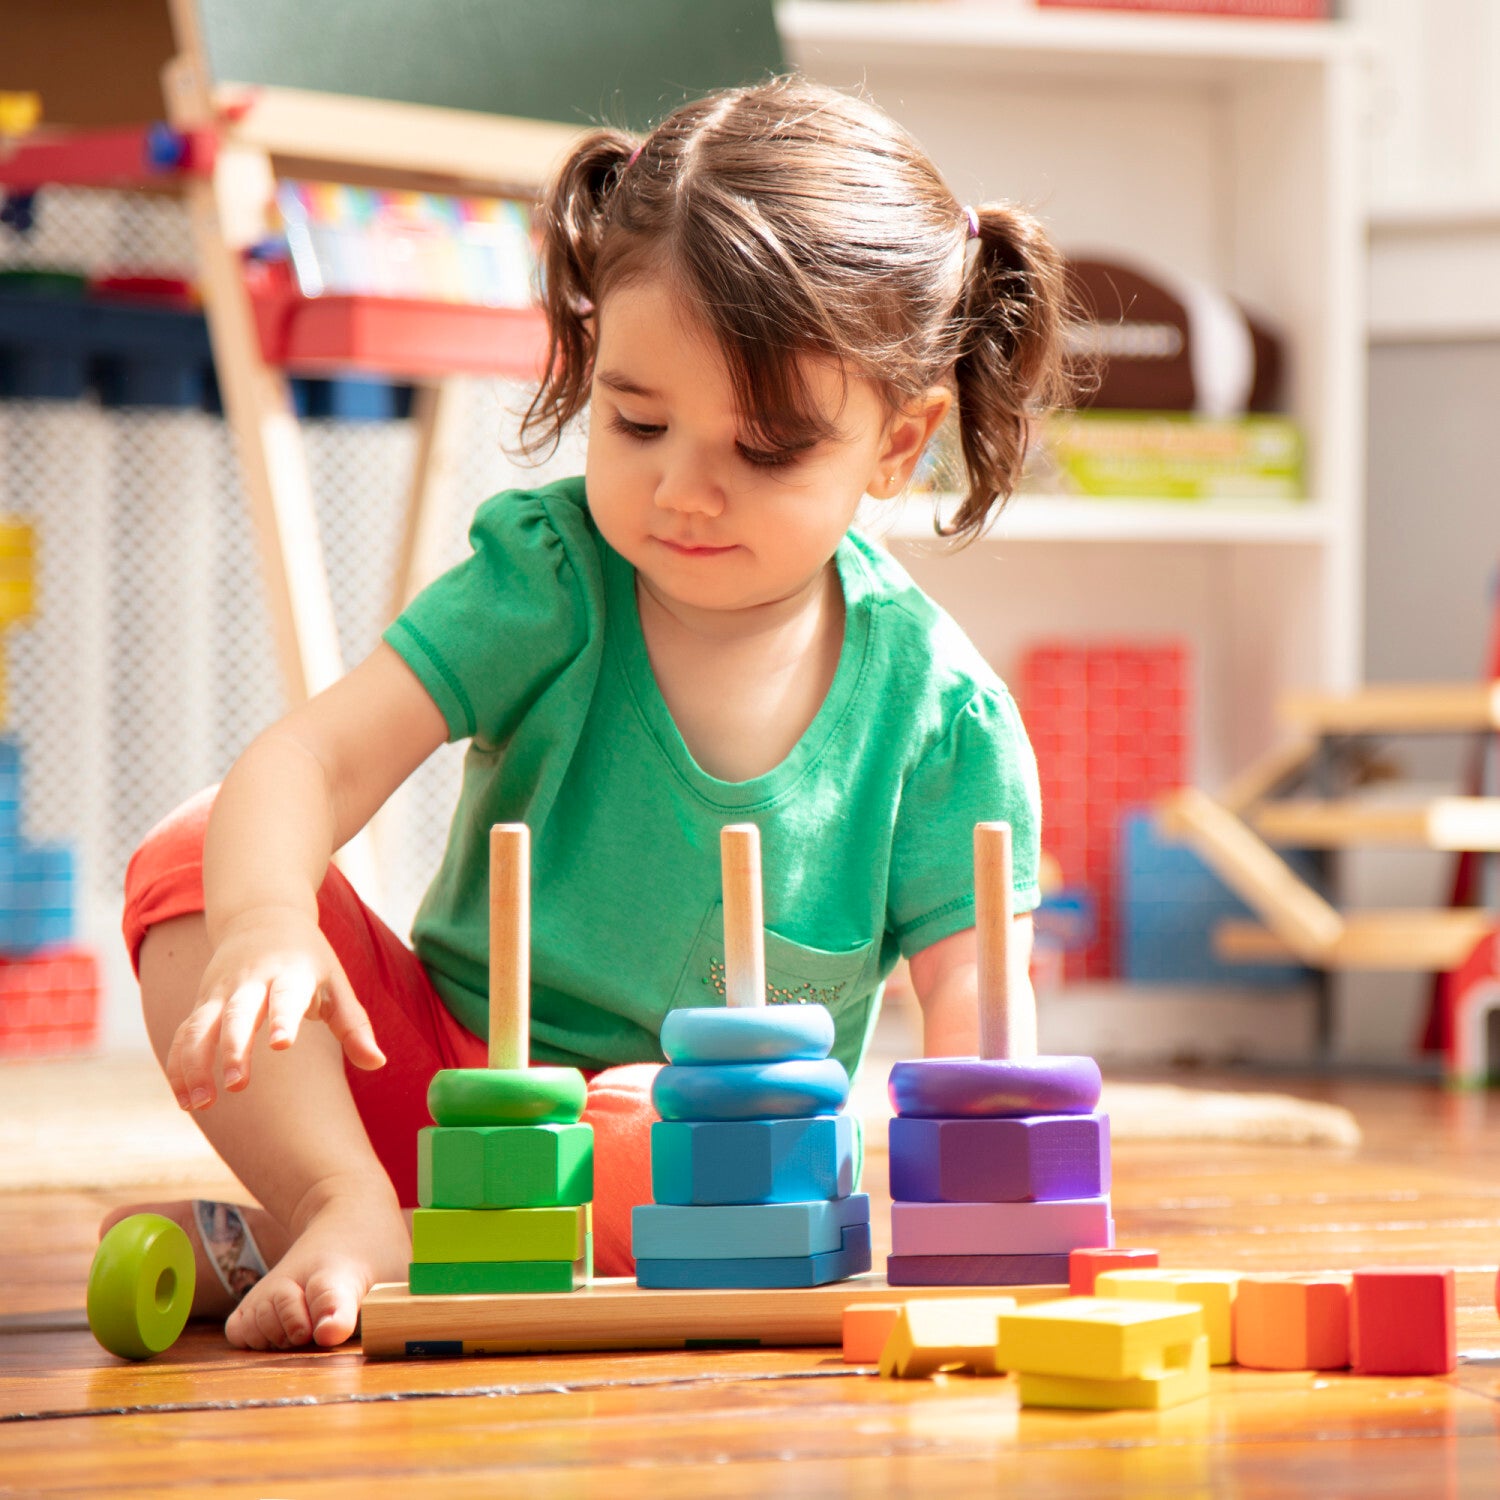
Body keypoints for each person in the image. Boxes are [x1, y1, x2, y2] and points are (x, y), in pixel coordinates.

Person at [106, 75, 1073, 1350]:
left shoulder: (942, 716)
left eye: (767, 449)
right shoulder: (552, 580)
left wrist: (980, 1220)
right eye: (637, 419)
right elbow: (310, 761)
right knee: (196, 856)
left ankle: (338, 1240)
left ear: (897, 445)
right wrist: (269, 925)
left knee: (640, 1125)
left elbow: (976, 1023)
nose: (683, 489)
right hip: (452, 1091)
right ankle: (346, 1202)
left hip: (709, 1160)